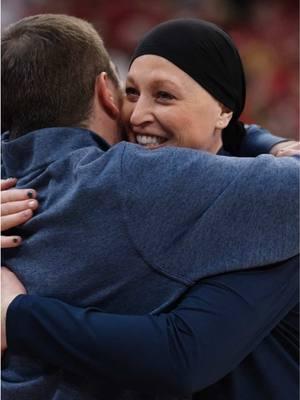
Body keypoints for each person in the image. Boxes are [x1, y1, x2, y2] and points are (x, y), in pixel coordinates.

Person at [1, 15, 299, 400]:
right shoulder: (114, 182)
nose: (139, 114)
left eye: (164, 96)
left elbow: (183, 356)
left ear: (224, 110)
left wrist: (16, 315)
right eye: (132, 92)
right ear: (109, 93)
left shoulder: (269, 218)